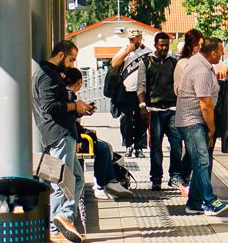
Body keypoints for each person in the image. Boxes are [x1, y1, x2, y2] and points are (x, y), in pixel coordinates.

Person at [32, 40, 93, 243]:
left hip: (62, 133)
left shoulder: (51, 74)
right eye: (71, 59)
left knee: (76, 178)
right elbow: (49, 106)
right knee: (64, 180)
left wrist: (76, 106)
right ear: (60, 55)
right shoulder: (47, 76)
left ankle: (62, 219)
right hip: (58, 133)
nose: (72, 64)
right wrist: (75, 106)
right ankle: (59, 221)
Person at [175, 37, 228, 216]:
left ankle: (194, 203)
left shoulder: (199, 62)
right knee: (202, 160)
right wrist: (212, 130)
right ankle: (210, 200)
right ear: (213, 53)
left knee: (201, 162)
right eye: (221, 51)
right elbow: (205, 105)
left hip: (192, 121)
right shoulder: (202, 71)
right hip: (193, 121)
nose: (222, 54)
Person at [62, 68, 133, 200]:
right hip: (72, 138)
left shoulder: (65, 94)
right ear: (80, 81)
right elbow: (70, 120)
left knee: (106, 146)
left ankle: (110, 181)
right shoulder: (70, 96)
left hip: (73, 135)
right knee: (103, 148)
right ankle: (102, 184)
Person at [136, 32, 190, 191]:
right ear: (155, 45)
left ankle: (175, 176)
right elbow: (141, 86)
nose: (164, 48)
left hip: (173, 109)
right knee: (156, 147)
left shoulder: (174, 63)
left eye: (166, 45)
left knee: (177, 145)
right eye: (161, 45)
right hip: (154, 110)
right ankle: (156, 178)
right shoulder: (146, 62)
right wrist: (142, 105)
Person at [111, 28, 152, 158]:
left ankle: (139, 147)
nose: (131, 41)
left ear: (139, 38)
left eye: (133, 39)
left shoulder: (148, 52)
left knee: (142, 119)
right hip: (126, 91)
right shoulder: (124, 50)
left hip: (142, 91)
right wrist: (127, 51)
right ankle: (128, 144)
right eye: (129, 39)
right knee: (126, 120)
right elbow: (114, 63)